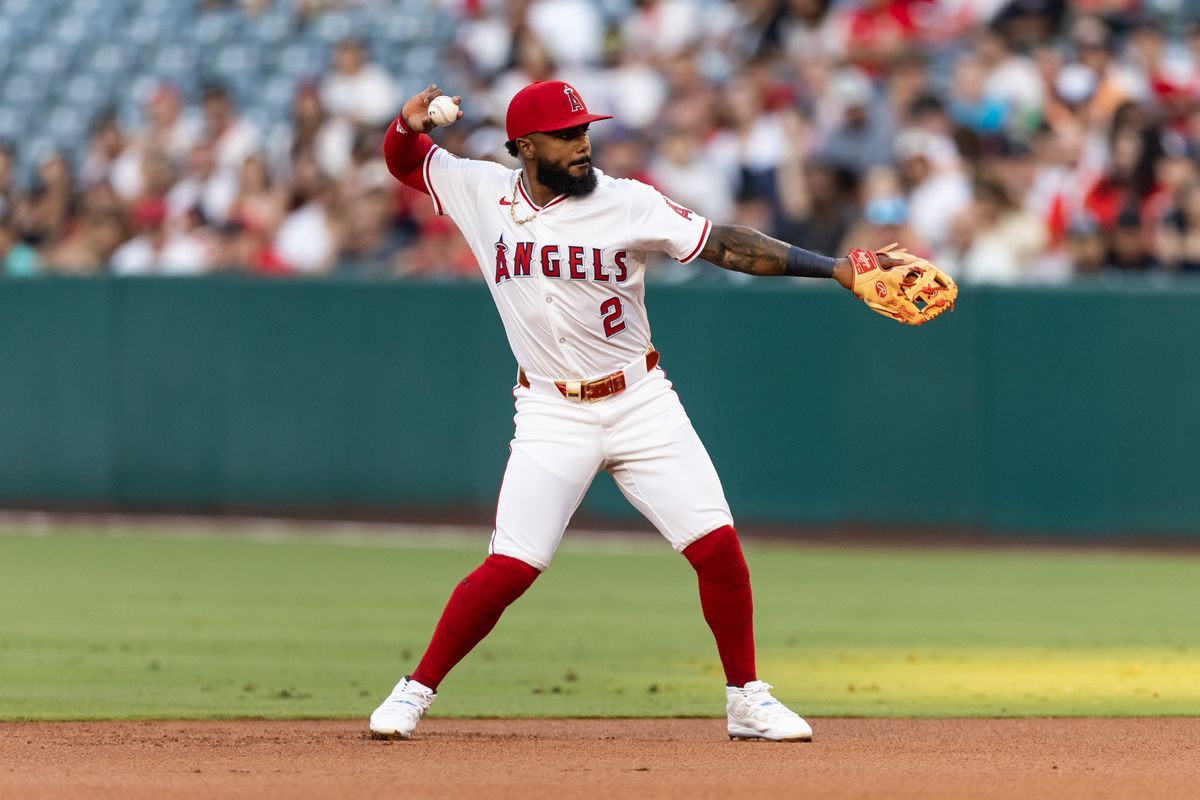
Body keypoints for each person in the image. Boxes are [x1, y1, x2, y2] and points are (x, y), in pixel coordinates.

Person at [370, 80, 908, 743]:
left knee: (719, 550)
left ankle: (746, 698)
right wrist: (405, 121)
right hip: (549, 411)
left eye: (585, 130)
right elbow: (405, 162)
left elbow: (730, 246)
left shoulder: (628, 202)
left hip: (639, 400)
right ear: (526, 147)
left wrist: (835, 270)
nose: (583, 143)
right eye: (567, 135)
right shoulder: (480, 191)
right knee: (510, 566)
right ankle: (414, 690)